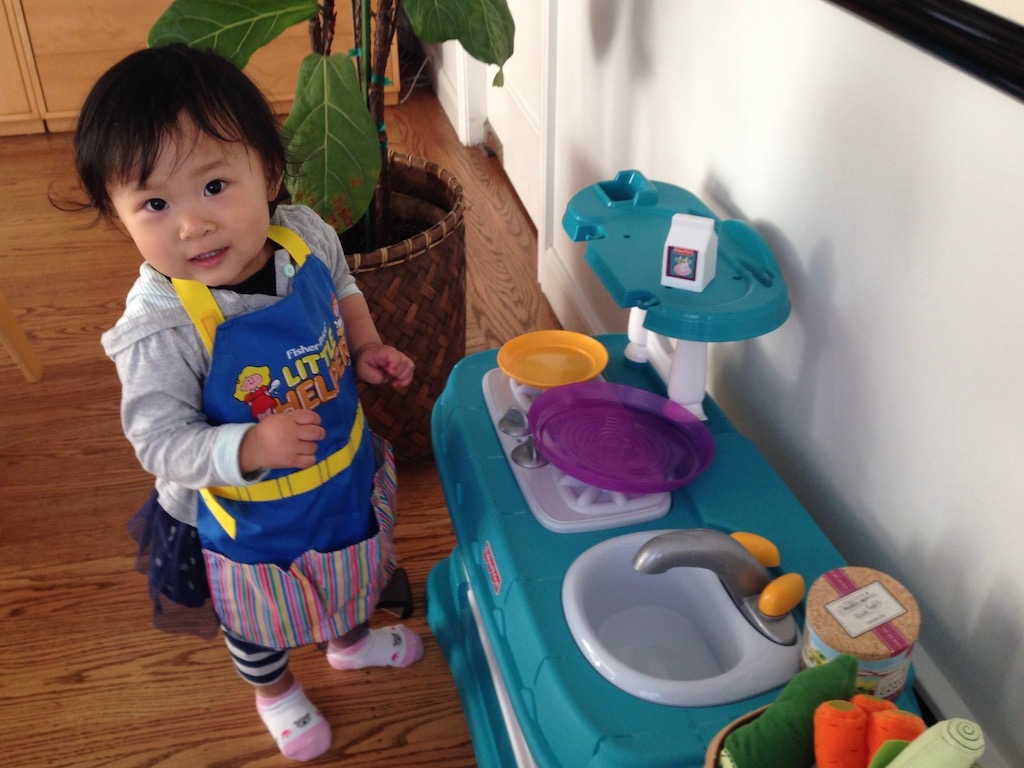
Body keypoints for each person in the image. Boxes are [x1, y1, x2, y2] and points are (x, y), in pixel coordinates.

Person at [75, 43, 423, 762]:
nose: (190, 225)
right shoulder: (161, 323)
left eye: (214, 187)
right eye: (154, 203)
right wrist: (247, 449)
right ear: (118, 215)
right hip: (248, 516)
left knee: (353, 564)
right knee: (262, 615)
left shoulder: (306, 234)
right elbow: (159, 442)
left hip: (340, 470)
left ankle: (349, 642)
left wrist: (365, 345)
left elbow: (343, 289)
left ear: (268, 173)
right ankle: (274, 691)